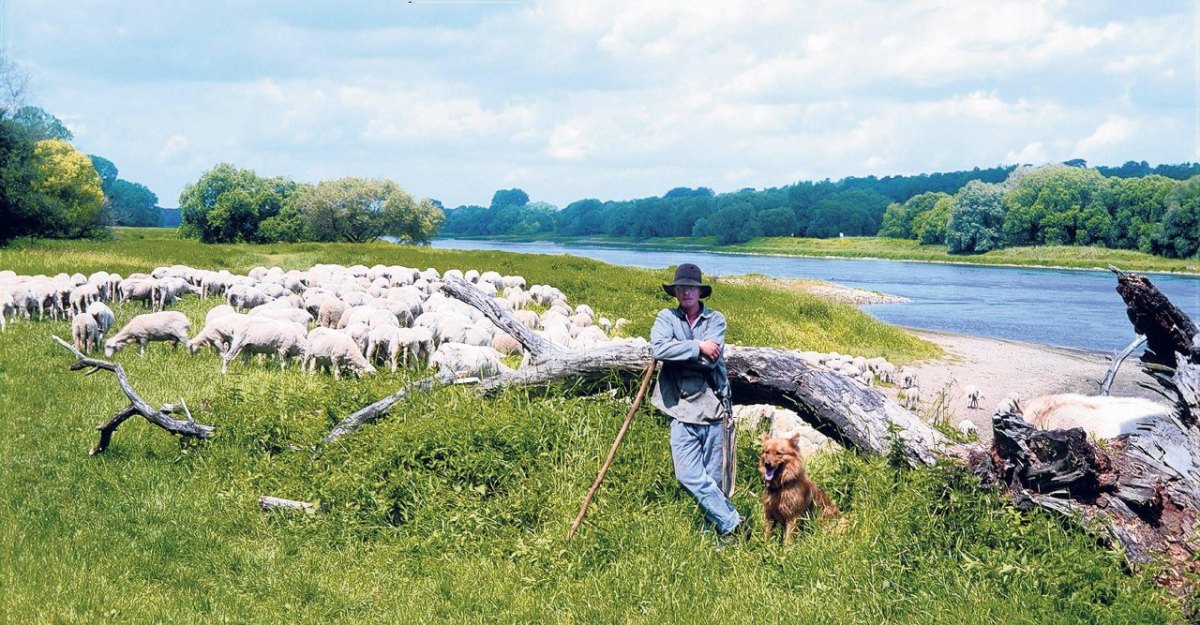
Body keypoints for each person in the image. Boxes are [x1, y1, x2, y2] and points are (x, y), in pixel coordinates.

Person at [649, 263, 742, 536]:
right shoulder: (666, 317)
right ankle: (733, 522)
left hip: (713, 407)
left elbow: (709, 362)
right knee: (687, 475)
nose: (686, 292)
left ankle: (716, 538)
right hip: (679, 409)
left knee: (714, 480)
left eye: (691, 287)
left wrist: (678, 353)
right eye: (681, 288)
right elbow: (659, 349)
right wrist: (698, 346)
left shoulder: (716, 320)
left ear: (700, 291)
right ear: (675, 291)